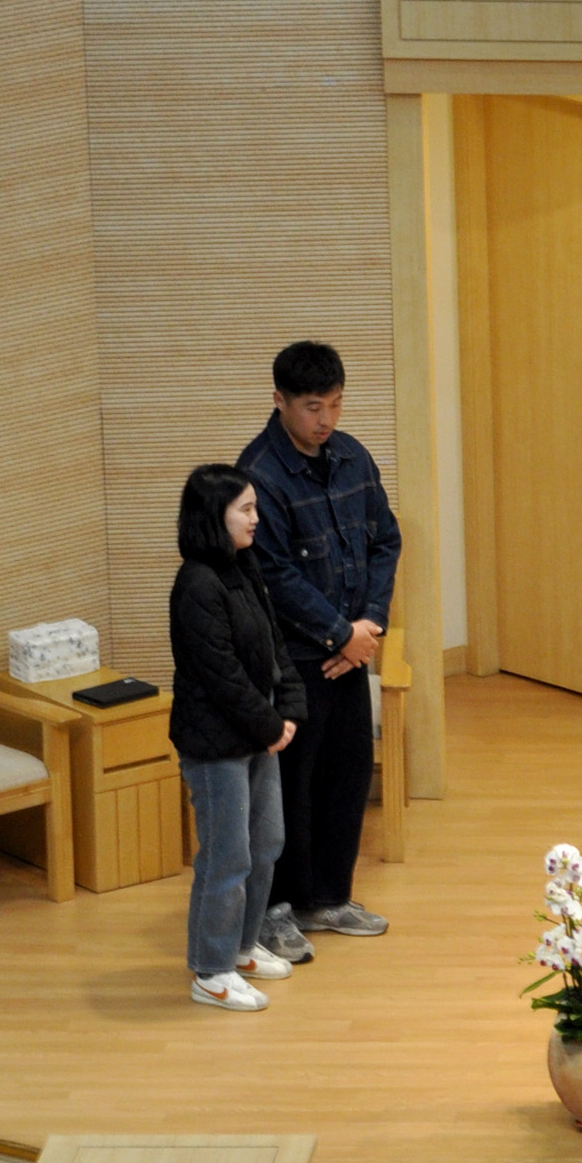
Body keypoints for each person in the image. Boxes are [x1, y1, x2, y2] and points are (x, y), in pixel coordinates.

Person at [237, 342, 400, 961]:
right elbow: (273, 574)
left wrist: (368, 626)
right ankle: (276, 909)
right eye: (312, 407)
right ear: (279, 400)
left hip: (351, 649)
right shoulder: (259, 474)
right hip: (293, 661)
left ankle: (330, 898)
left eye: (334, 404)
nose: (325, 419)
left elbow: (385, 540)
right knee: (288, 786)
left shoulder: (353, 457)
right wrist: (340, 634)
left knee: (346, 774)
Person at [168, 465, 304, 1013]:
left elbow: (273, 647)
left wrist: (289, 708)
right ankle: (211, 969)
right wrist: (271, 726)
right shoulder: (196, 584)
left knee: (265, 844)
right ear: (213, 517)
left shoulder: (243, 565)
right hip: (216, 745)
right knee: (227, 856)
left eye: (254, 507)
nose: (256, 518)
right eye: (245, 509)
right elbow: (220, 675)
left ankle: (242, 948)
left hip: (255, 735)